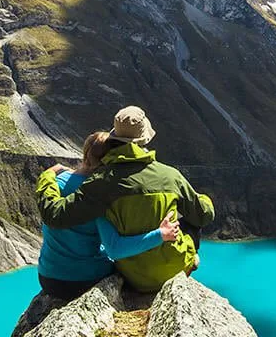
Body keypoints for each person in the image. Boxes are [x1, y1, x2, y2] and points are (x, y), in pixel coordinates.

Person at [37, 106, 216, 293]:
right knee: (191, 218)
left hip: (129, 274)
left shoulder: (101, 182)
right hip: (170, 266)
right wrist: (203, 199)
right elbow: (204, 215)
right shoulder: (171, 176)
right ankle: (189, 261)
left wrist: (47, 176)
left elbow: (56, 216)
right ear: (145, 138)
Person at [37, 131, 181, 301]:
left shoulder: (58, 180)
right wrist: (161, 234)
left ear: (85, 153)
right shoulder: (99, 193)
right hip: (83, 280)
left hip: (48, 278)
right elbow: (115, 248)